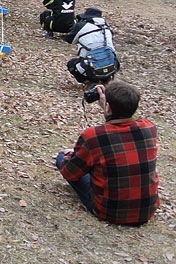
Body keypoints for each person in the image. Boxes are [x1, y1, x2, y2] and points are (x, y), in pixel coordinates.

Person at [55, 80, 159, 226]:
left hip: (110, 212)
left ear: (108, 107)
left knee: (62, 159)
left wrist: (74, 155)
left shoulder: (94, 136)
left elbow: (70, 173)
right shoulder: (149, 128)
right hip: (147, 211)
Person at [63, 7, 119, 84]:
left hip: (92, 65)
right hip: (112, 65)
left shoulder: (82, 26)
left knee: (71, 64)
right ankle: (105, 80)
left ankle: (89, 81)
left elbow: (69, 39)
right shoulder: (107, 27)